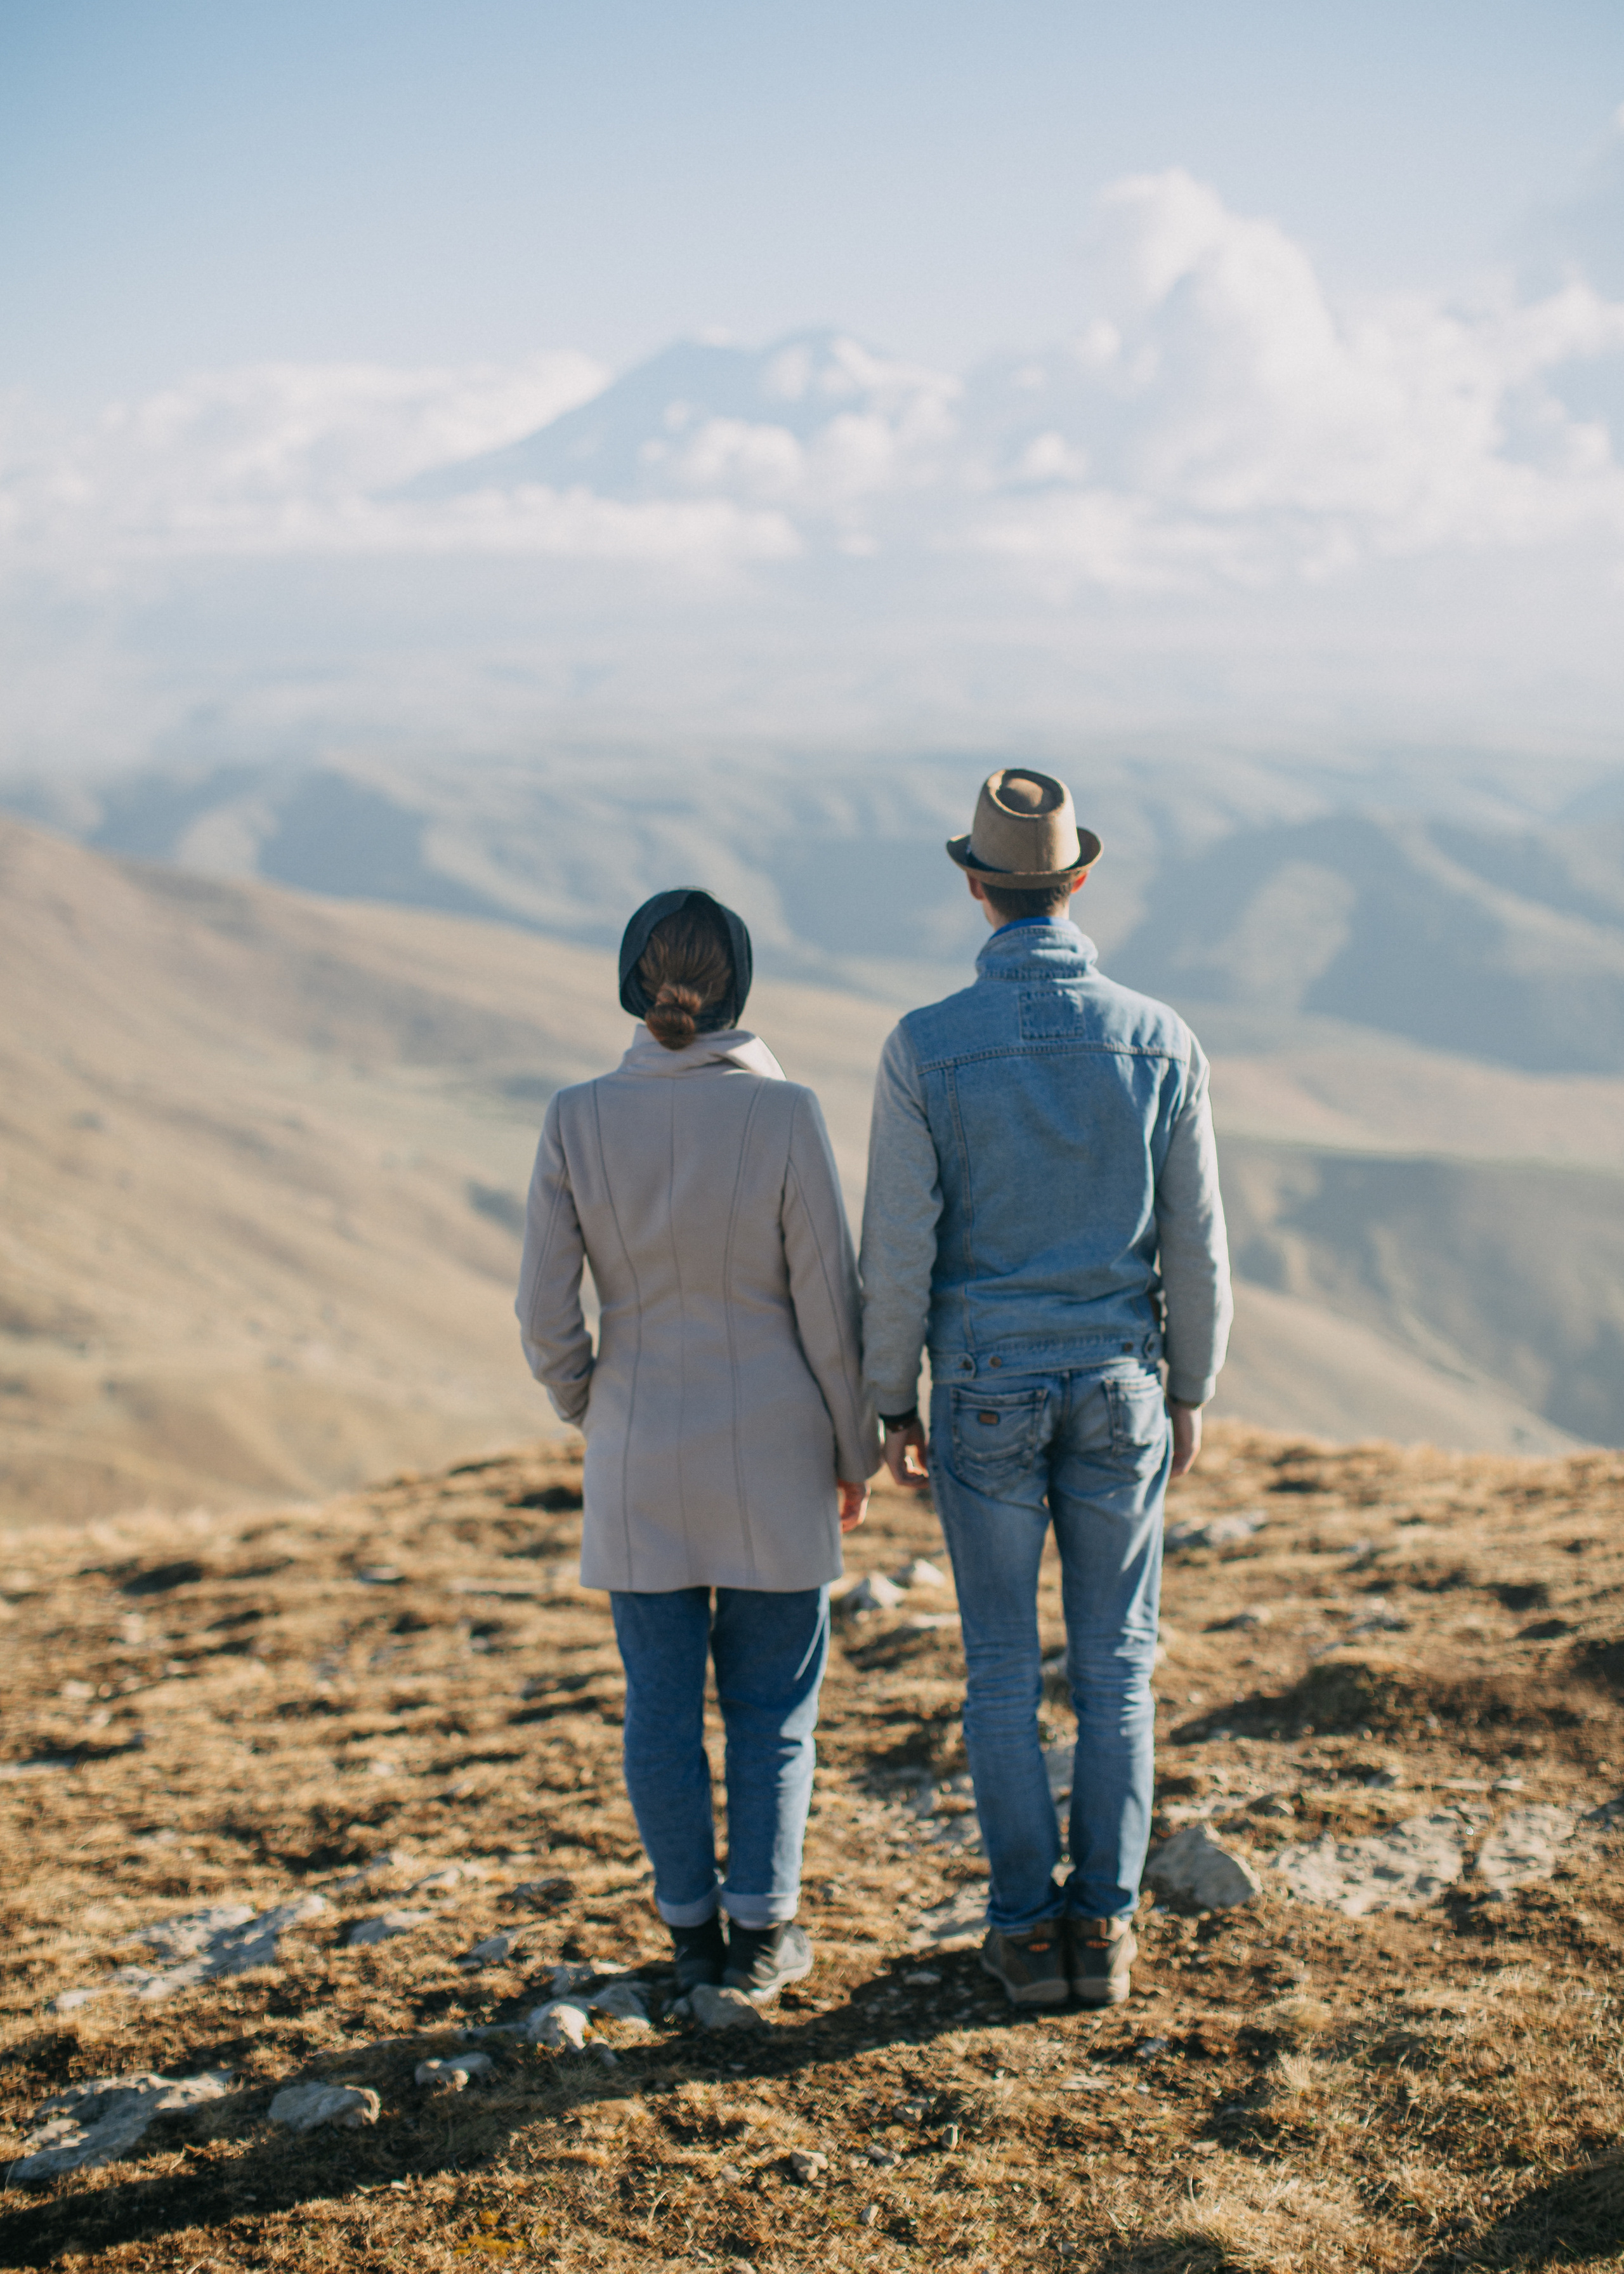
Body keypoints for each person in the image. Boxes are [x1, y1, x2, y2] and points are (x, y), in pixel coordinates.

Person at [859, 769, 1232, 2009]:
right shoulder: (1160, 1037)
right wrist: (1188, 1384)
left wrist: (890, 1401)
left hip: (981, 1387)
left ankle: (1026, 1932)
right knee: (1116, 1663)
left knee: (1002, 1666)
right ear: (1077, 880)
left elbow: (898, 1245)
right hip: (1120, 1381)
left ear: (976, 884)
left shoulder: (924, 1046)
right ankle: (1106, 1927)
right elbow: (1194, 1242)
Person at [515, 888, 877, 1998]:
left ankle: (686, 1935)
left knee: (659, 1709)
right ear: (740, 991)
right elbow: (830, 1304)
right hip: (777, 1449)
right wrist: (855, 1451)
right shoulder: (785, 1114)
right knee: (774, 1709)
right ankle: (764, 1933)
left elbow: (543, 1313)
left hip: (637, 1452)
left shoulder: (576, 1116)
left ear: (635, 985)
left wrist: (592, 1407)